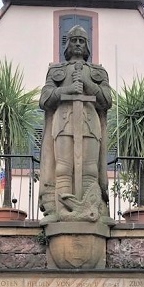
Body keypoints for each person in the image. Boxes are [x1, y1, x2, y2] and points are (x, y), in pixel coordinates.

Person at [38, 25, 114, 225]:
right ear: (67, 45)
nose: (78, 44)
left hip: (89, 122)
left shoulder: (98, 72)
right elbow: (44, 99)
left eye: (82, 41)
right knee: (62, 168)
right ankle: (62, 211)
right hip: (63, 121)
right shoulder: (56, 71)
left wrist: (87, 84)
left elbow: (107, 100)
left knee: (90, 169)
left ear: (87, 45)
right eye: (74, 40)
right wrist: (70, 88)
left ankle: (90, 208)